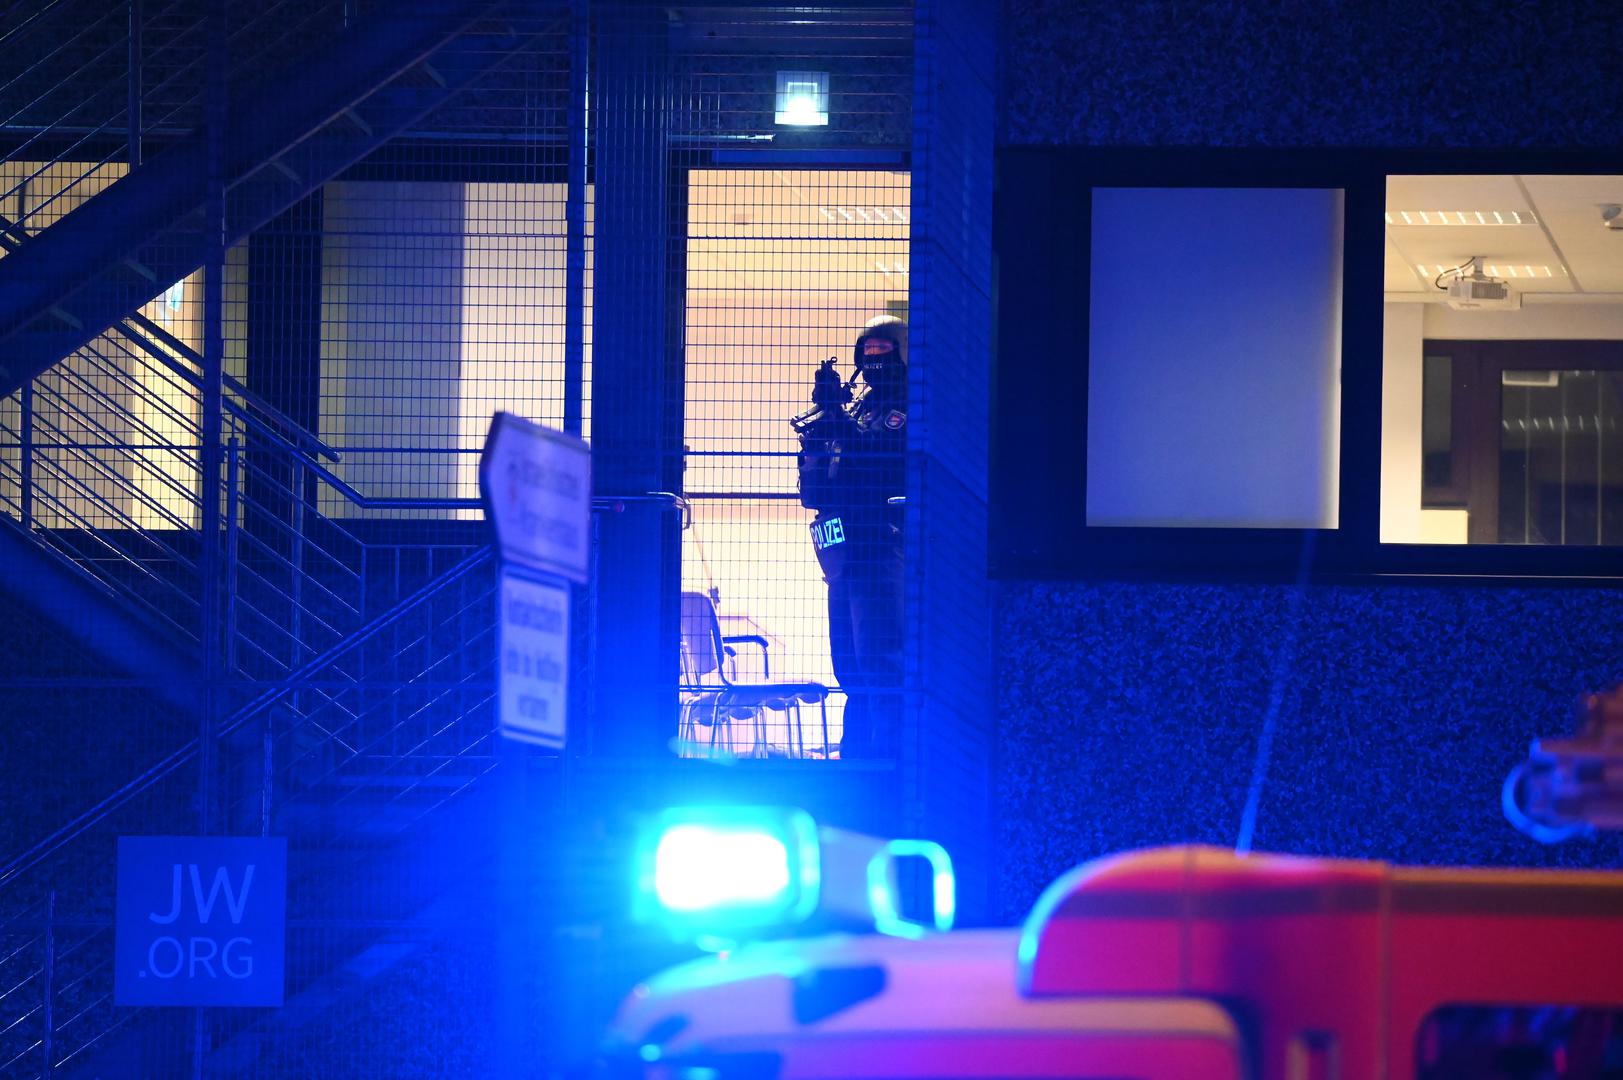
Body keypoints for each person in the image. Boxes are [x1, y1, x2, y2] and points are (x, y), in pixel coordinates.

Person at [793, 315, 907, 758]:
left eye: (884, 351)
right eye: (868, 352)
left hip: (878, 547)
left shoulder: (904, 409)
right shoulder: (858, 406)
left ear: (902, 354)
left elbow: (877, 454)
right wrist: (826, 418)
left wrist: (836, 418)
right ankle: (855, 754)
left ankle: (885, 760)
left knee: (880, 658)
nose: (875, 360)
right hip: (841, 555)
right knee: (850, 663)